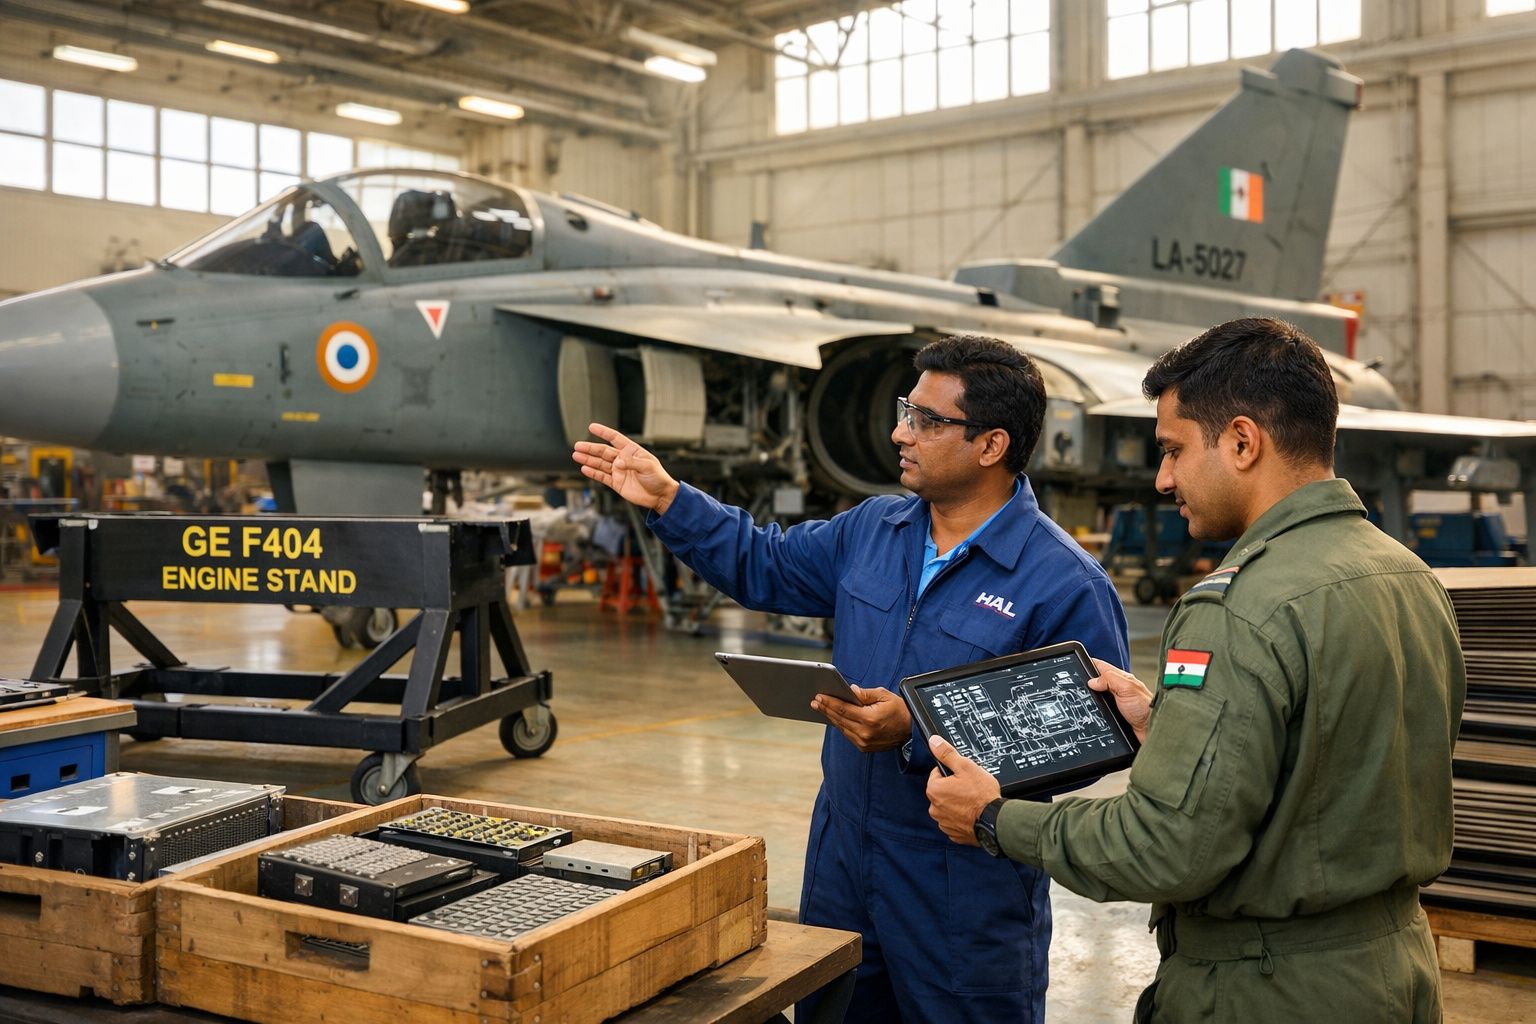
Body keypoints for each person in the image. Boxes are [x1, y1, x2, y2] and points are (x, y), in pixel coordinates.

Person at [573, 334, 1129, 1023]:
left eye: (927, 421)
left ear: (991, 445)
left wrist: (920, 730)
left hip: (963, 885)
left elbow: (1088, 738)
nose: (900, 432)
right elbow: (763, 562)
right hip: (844, 860)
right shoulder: (874, 529)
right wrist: (669, 500)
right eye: (906, 410)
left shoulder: (1063, 582)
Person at [925, 317, 1465, 1023]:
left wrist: (995, 818)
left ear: (1243, 442)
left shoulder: (1238, 607)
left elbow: (1166, 850)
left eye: (1175, 451)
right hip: (1395, 969)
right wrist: (1170, 726)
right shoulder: (1409, 577)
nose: (1162, 479)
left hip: (1266, 992)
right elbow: (1337, 763)